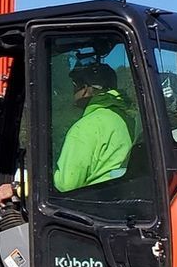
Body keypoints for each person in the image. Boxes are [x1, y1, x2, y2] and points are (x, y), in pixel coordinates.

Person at [55, 62, 134, 191]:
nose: (73, 91)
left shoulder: (85, 128)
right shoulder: (126, 119)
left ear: (86, 89)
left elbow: (66, 185)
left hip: (94, 202)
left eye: (75, 85)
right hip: (120, 194)